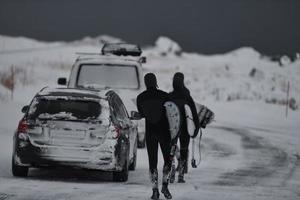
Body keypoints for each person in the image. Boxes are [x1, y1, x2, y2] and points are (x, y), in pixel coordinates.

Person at [137, 73, 173, 200]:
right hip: (165, 133)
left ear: (146, 83)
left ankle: (155, 190)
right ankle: (165, 186)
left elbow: (142, 113)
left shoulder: (140, 98)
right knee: (168, 159)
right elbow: (172, 114)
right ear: (155, 81)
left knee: (153, 162)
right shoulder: (165, 96)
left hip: (150, 133)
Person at [169, 72, 200, 183]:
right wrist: (196, 128)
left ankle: (171, 171)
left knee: (171, 148)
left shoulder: (170, 96)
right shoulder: (187, 96)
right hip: (185, 128)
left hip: (173, 128)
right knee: (184, 149)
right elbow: (194, 114)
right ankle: (181, 174)